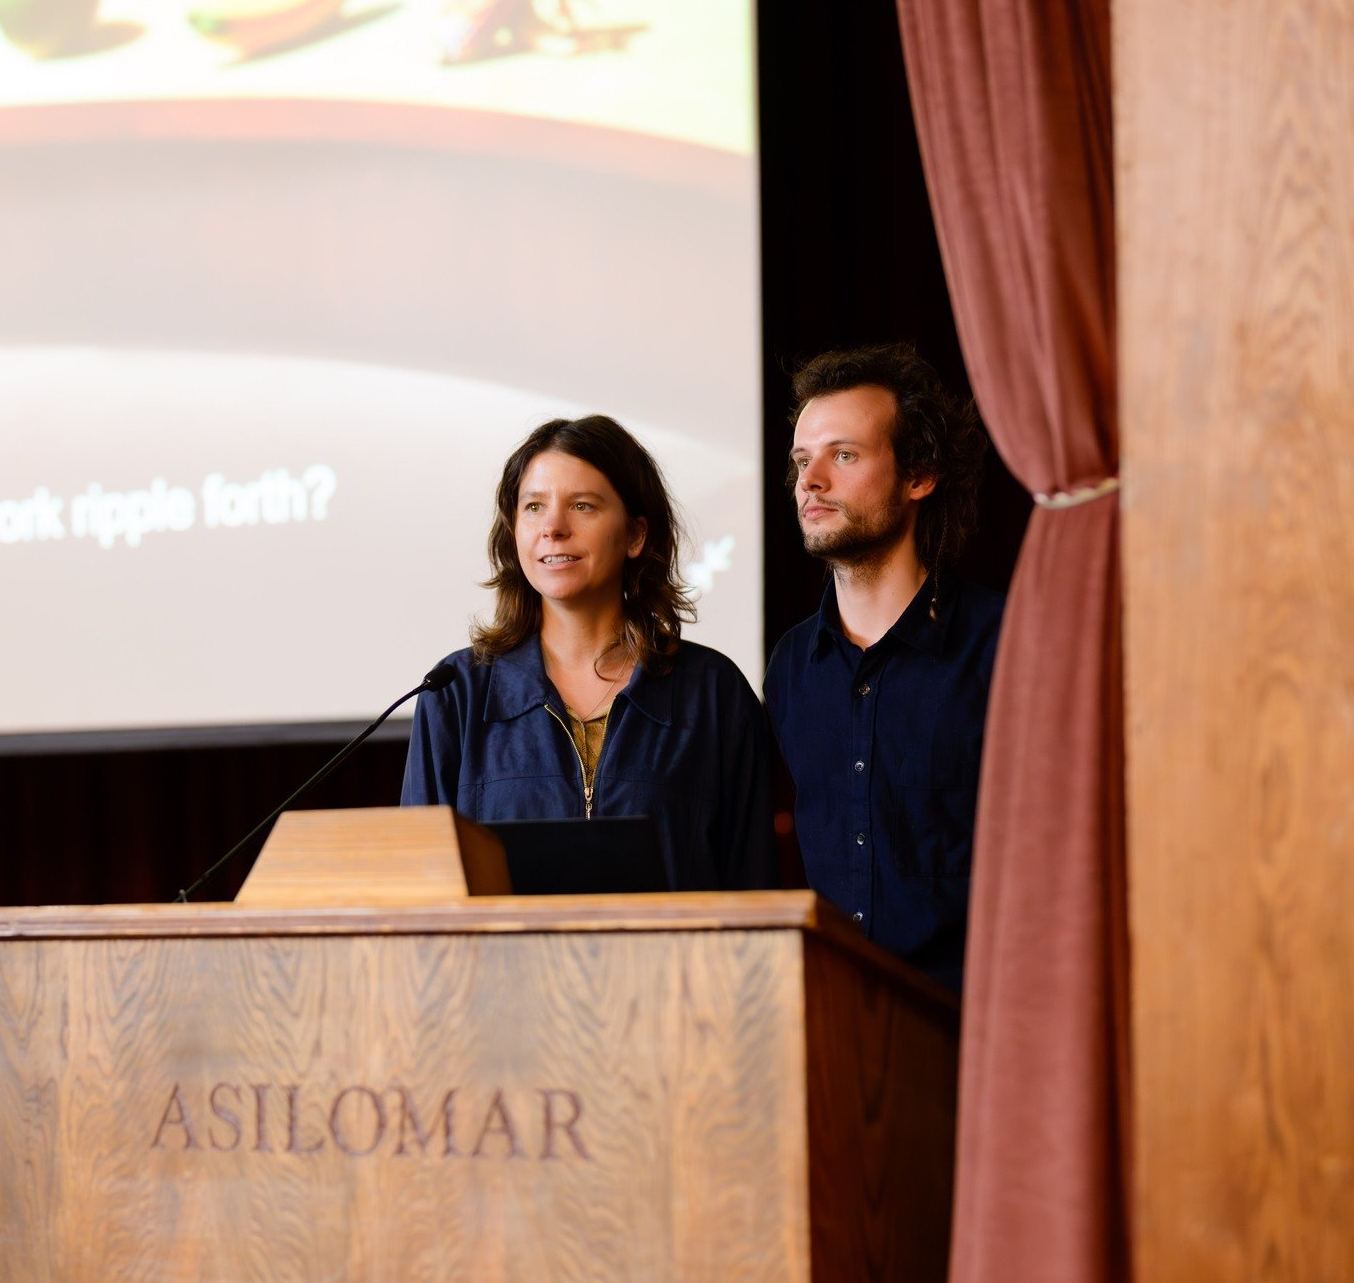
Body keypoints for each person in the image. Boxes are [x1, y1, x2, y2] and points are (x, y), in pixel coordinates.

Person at [402, 415, 775, 891]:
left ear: (636, 534)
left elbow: (753, 889)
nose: (553, 527)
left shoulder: (713, 693)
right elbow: (420, 894)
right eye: (534, 507)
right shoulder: (456, 694)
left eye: (582, 505)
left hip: (673, 967)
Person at [763, 344, 1001, 990]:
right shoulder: (791, 666)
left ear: (918, 476)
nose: (810, 481)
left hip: (969, 1024)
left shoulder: (1004, 644)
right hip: (833, 1022)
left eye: (843, 455)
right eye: (801, 460)